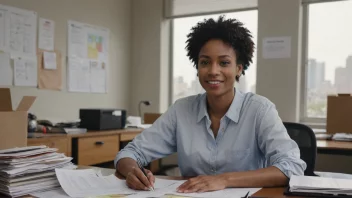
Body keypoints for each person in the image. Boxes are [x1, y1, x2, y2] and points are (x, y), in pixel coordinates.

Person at [115, 16, 306, 193]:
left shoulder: (260, 110)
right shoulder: (181, 110)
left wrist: (224, 179)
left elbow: (291, 167)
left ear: (239, 69)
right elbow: (130, 152)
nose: (213, 71)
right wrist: (133, 172)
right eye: (205, 62)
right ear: (197, 68)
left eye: (224, 63)